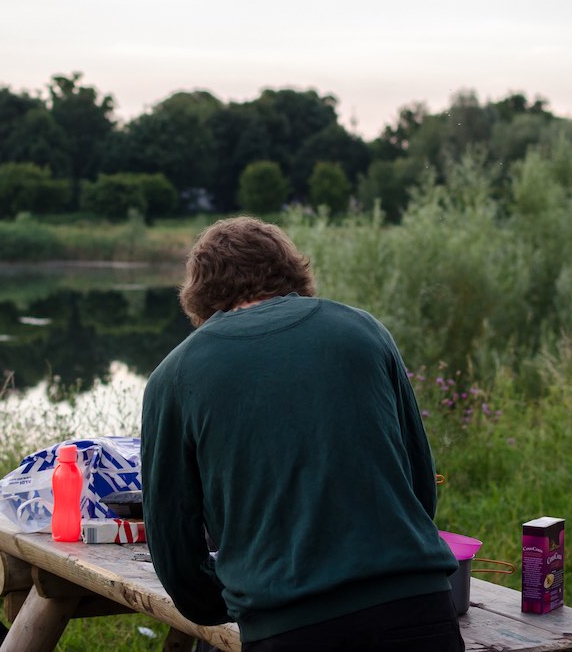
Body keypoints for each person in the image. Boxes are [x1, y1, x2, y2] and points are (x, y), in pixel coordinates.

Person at [140, 216, 462, 651]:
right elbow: (421, 488)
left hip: (290, 626)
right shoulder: (365, 332)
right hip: (417, 608)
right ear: (292, 272)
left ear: (200, 295)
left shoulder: (173, 376)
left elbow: (173, 545)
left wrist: (228, 601)